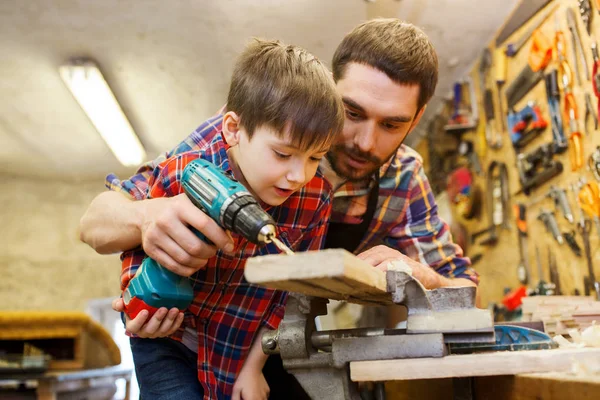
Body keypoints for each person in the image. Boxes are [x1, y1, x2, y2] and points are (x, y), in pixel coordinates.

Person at [80, 18, 480, 398]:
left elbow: (465, 293)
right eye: (351, 113)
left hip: (266, 336)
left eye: (391, 125)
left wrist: (423, 276)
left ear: (416, 119)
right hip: (185, 330)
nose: (363, 141)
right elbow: (97, 222)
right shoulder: (245, 132)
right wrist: (144, 216)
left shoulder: (402, 180)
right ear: (329, 88)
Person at [114, 38, 345, 400]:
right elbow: (137, 246)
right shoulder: (188, 170)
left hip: (237, 344)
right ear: (234, 130)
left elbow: (290, 294)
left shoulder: (315, 199)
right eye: (283, 153)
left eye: (316, 157)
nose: (299, 175)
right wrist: (139, 305)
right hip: (167, 338)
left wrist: (254, 367)